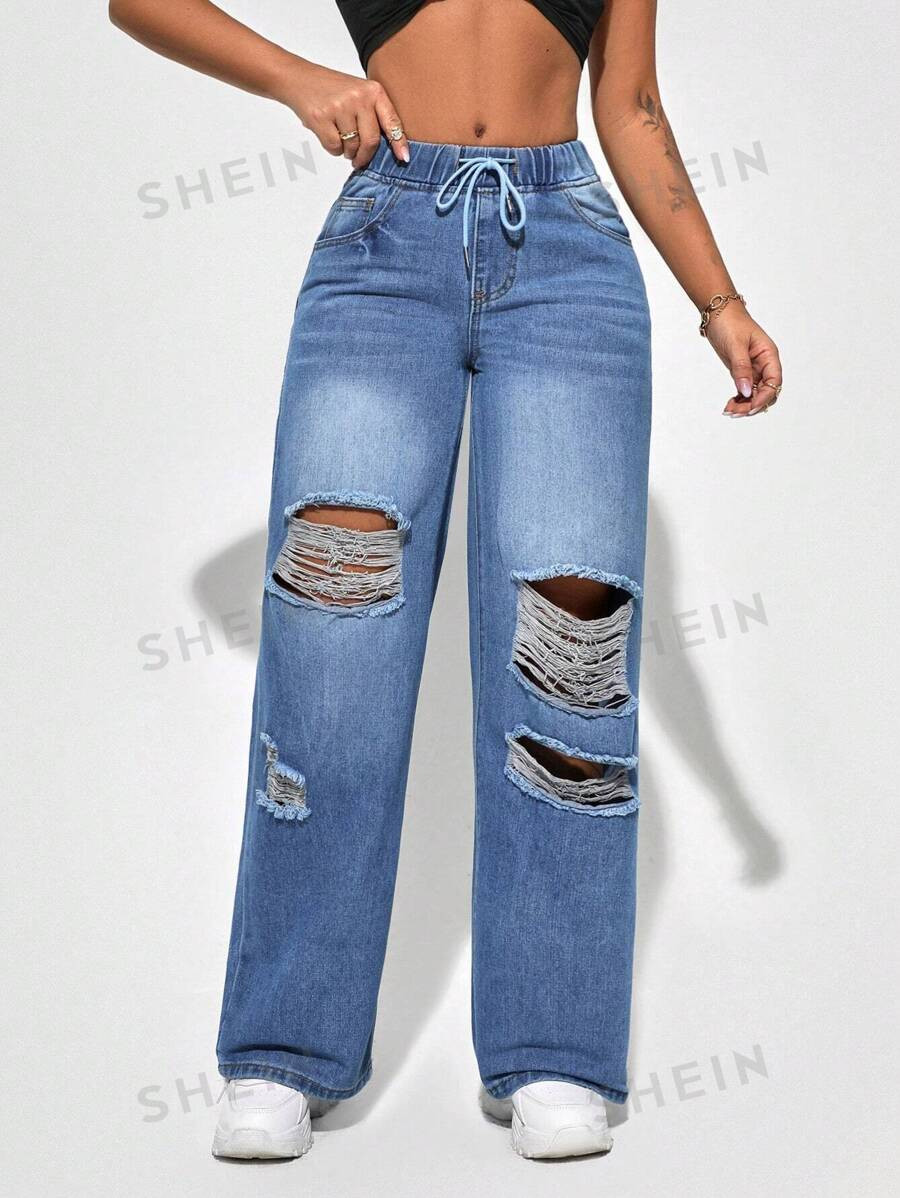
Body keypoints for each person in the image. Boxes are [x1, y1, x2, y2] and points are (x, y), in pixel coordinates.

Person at [110, 0, 783, 1162]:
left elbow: (629, 105)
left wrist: (719, 302)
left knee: (570, 657)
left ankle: (555, 1048)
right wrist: (296, 79)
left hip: (571, 262)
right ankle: (283, 1048)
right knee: (331, 643)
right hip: (383, 252)